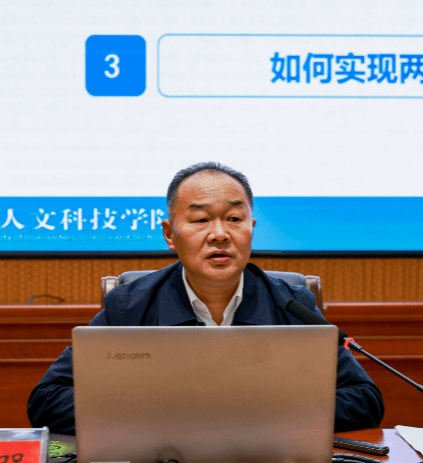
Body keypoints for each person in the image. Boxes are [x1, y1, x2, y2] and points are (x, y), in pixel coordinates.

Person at [27, 162, 385, 434]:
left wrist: (254, 412)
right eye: (200, 220)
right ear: (170, 234)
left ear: (251, 230)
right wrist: (164, 412)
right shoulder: (130, 306)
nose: (219, 234)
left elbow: (365, 400)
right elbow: (48, 400)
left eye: (234, 219)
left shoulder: (292, 305)